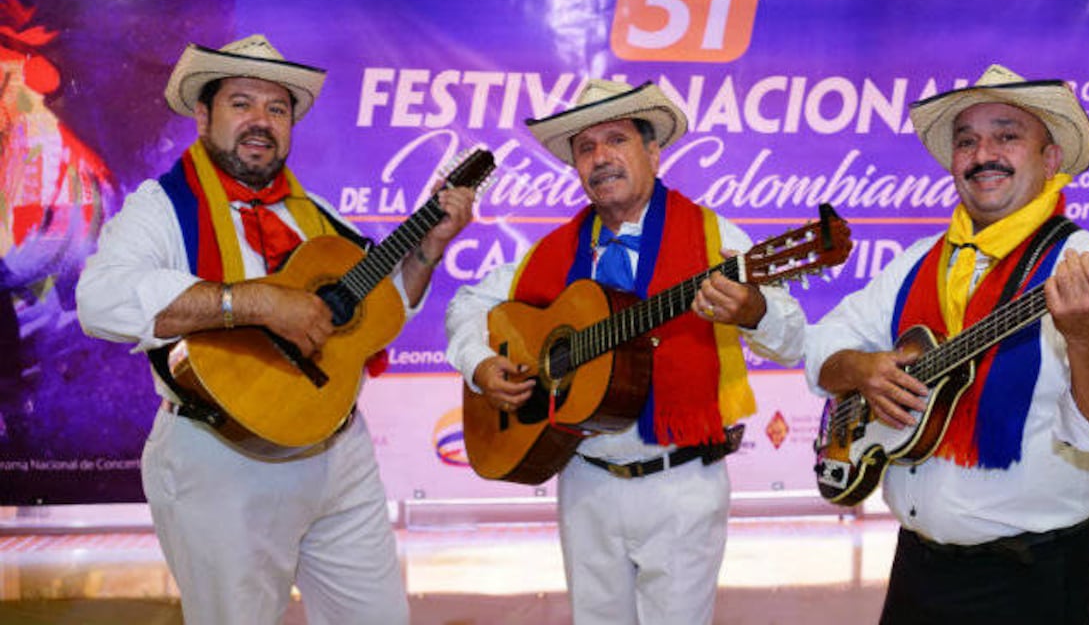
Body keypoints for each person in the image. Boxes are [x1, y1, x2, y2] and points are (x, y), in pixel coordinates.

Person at [75, 34, 476, 625]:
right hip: (222, 458)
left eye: (278, 108)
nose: (261, 121)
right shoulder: (161, 207)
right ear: (203, 115)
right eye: (242, 103)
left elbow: (383, 311)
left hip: (340, 453)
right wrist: (253, 301)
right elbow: (99, 301)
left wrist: (427, 252)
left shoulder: (313, 216)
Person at [805, 65, 1089, 625]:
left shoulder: (1087, 267)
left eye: (1007, 135)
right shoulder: (919, 260)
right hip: (917, 567)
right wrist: (862, 368)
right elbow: (824, 342)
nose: (983, 153)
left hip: (1032, 579)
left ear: (1049, 161)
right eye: (967, 141)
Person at [445, 79, 806, 625]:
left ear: (653, 152)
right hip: (584, 477)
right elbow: (470, 303)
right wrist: (478, 363)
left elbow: (794, 337)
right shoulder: (553, 252)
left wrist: (753, 310)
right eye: (586, 148)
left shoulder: (714, 238)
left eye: (616, 140)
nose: (601, 157)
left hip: (681, 483)